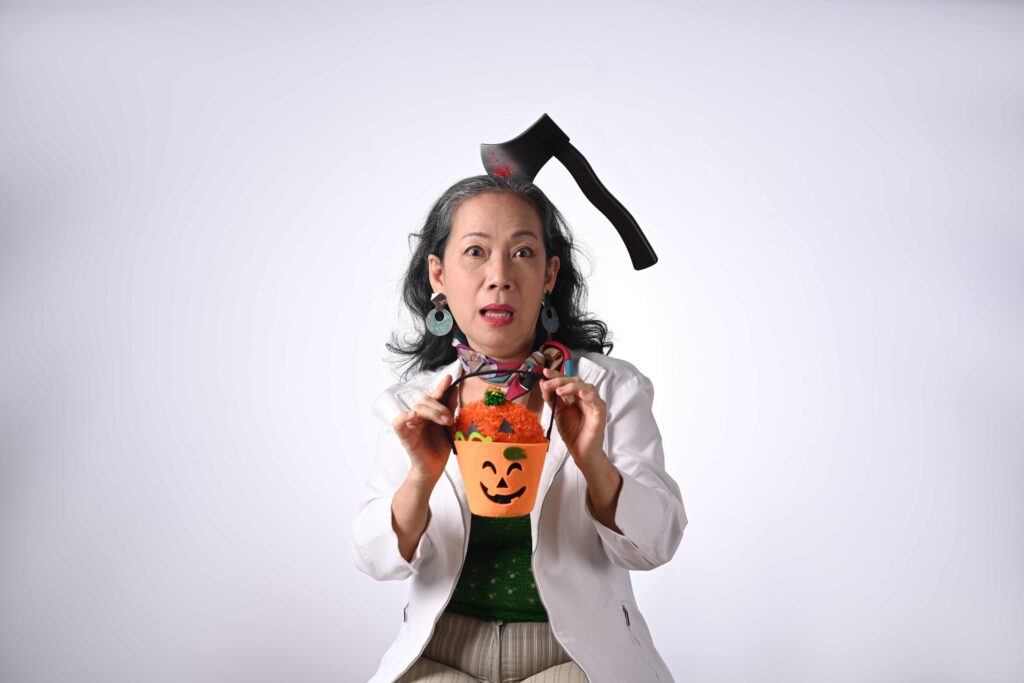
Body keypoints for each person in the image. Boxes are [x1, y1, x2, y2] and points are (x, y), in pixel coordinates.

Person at [352, 173, 687, 682]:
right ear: (438, 275)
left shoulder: (610, 391)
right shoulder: (411, 406)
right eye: (475, 252)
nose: (499, 276)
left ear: (550, 274)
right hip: (442, 651)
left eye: (523, 253)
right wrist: (420, 477)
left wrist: (593, 461)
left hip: (572, 654)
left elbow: (656, 546)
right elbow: (377, 560)